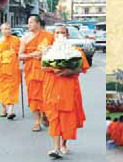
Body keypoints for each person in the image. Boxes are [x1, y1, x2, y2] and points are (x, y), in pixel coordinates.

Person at [41, 25, 89, 156]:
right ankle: (55, 148)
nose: (60, 35)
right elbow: (43, 67)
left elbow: (81, 68)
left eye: (62, 32)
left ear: (67, 35)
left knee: (67, 118)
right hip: (52, 87)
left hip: (69, 88)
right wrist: (53, 69)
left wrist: (69, 71)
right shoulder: (47, 50)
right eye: (57, 33)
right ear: (54, 35)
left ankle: (64, 144)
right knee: (54, 117)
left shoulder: (75, 50)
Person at [20, 15, 55, 131]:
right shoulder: (25, 38)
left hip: (46, 70)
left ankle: (45, 112)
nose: (29, 25)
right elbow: (20, 55)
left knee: (47, 94)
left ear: (38, 24)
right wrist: (32, 55)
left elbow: (56, 50)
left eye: (31, 22)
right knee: (33, 96)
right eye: (28, 22)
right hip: (31, 71)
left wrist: (47, 52)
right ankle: (36, 121)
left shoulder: (49, 36)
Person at [0, 23, 21, 119]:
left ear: (11, 30)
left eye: (8, 29)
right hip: (1, 68)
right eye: (4, 29)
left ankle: (11, 110)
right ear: (1, 31)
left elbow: (20, 54)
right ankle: (3, 108)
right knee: (2, 89)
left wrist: (21, 65)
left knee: (12, 89)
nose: (6, 31)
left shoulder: (16, 40)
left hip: (13, 68)